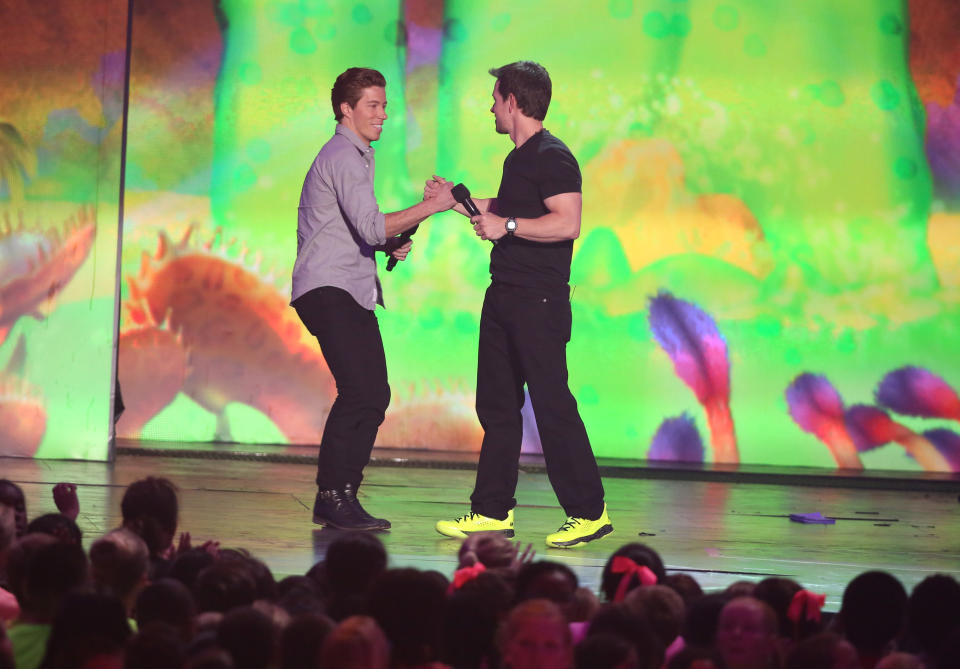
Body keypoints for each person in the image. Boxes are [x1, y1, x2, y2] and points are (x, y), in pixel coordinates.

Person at [431, 61, 611, 548]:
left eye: (495, 97)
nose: (491, 106)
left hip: (539, 300)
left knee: (551, 404)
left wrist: (506, 227)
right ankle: (491, 511)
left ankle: (588, 511)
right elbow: (513, 208)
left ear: (513, 101)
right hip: (505, 295)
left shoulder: (552, 155)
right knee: (497, 406)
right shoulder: (519, 158)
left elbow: (566, 222)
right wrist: (458, 200)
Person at [291, 66, 456, 531]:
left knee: (372, 394)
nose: (384, 114)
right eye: (373, 105)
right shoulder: (344, 154)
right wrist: (431, 206)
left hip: (343, 287)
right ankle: (332, 495)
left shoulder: (358, 155)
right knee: (362, 392)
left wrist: (390, 240)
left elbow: (359, 227)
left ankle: (341, 494)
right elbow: (368, 225)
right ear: (346, 109)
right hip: (330, 288)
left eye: (385, 105)